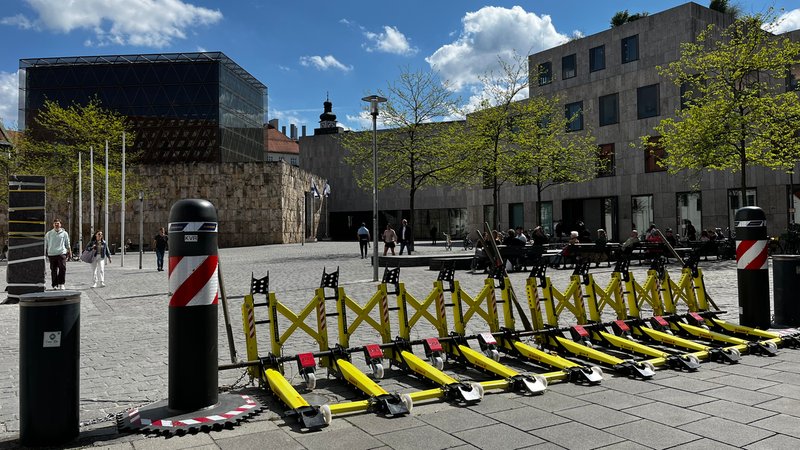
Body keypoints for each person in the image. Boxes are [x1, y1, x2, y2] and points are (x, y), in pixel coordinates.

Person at [44, 219, 71, 290]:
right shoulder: (49, 234)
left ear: (60, 224)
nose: (56, 225)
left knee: (62, 268)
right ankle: (54, 285)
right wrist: (45, 253)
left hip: (61, 253)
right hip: (52, 254)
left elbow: (67, 243)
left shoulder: (64, 233)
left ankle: (61, 283)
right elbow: (45, 244)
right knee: (53, 270)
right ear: (53, 224)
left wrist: (69, 251)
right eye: (55, 223)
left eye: (58, 223)